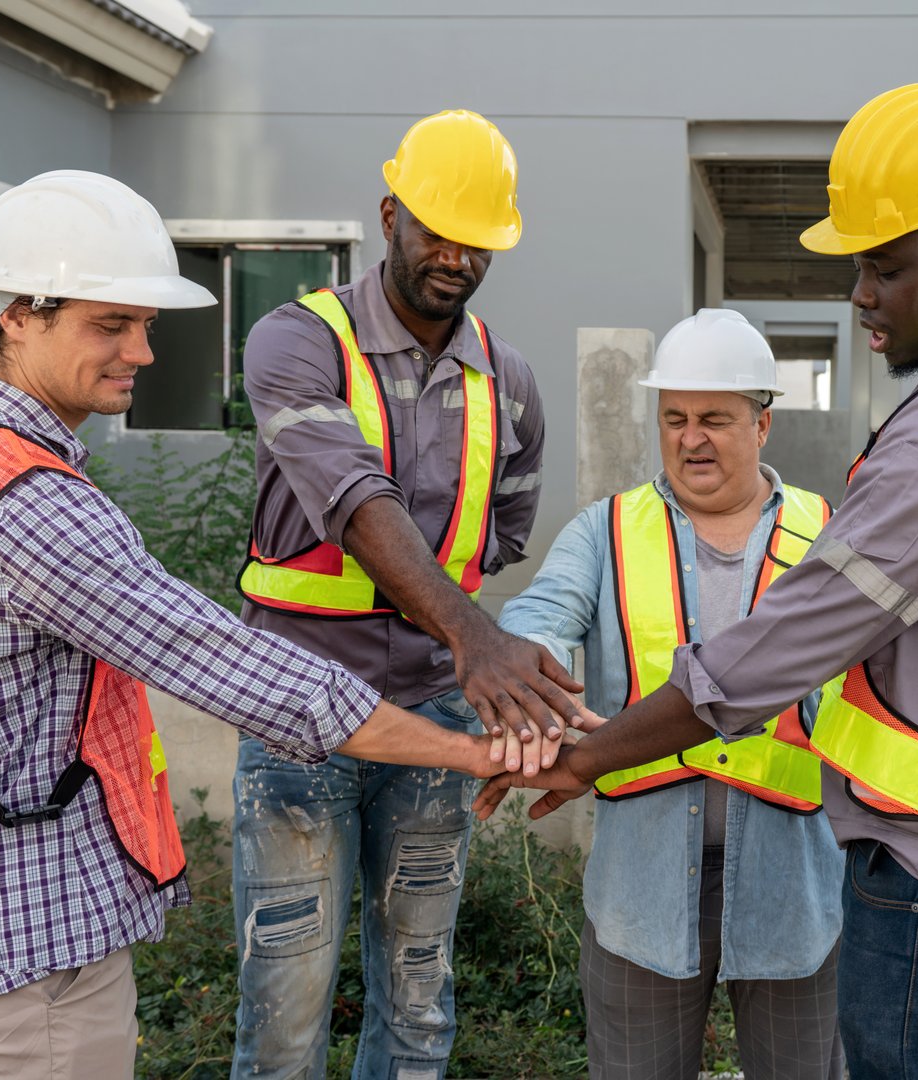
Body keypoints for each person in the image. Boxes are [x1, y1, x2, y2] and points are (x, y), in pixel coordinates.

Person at [477, 83, 918, 1079]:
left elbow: (780, 645)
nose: (860, 295)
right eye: (672, 418)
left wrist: (589, 759)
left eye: (884, 267)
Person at [0, 170, 505, 1080]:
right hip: (30, 932)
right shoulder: (28, 504)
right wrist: (476, 753)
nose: (142, 352)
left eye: (144, 324)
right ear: (17, 314)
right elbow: (230, 664)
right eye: (111, 324)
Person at [231, 110, 572, 1079]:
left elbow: (501, 532)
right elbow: (348, 492)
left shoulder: (510, 381)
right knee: (286, 1011)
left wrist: (464, 646)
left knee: (419, 996)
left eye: (477, 241)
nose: (453, 256)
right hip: (299, 711)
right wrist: (471, 635)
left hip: (431, 713)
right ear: (389, 215)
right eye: (434, 229)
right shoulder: (294, 341)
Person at [498, 309, 845, 1080]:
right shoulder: (606, 531)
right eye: (674, 418)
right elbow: (540, 617)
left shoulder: (829, 534)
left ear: (762, 425)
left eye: (716, 419)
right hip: (640, 887)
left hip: (796, 885)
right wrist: (529, 676)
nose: (692, 438)